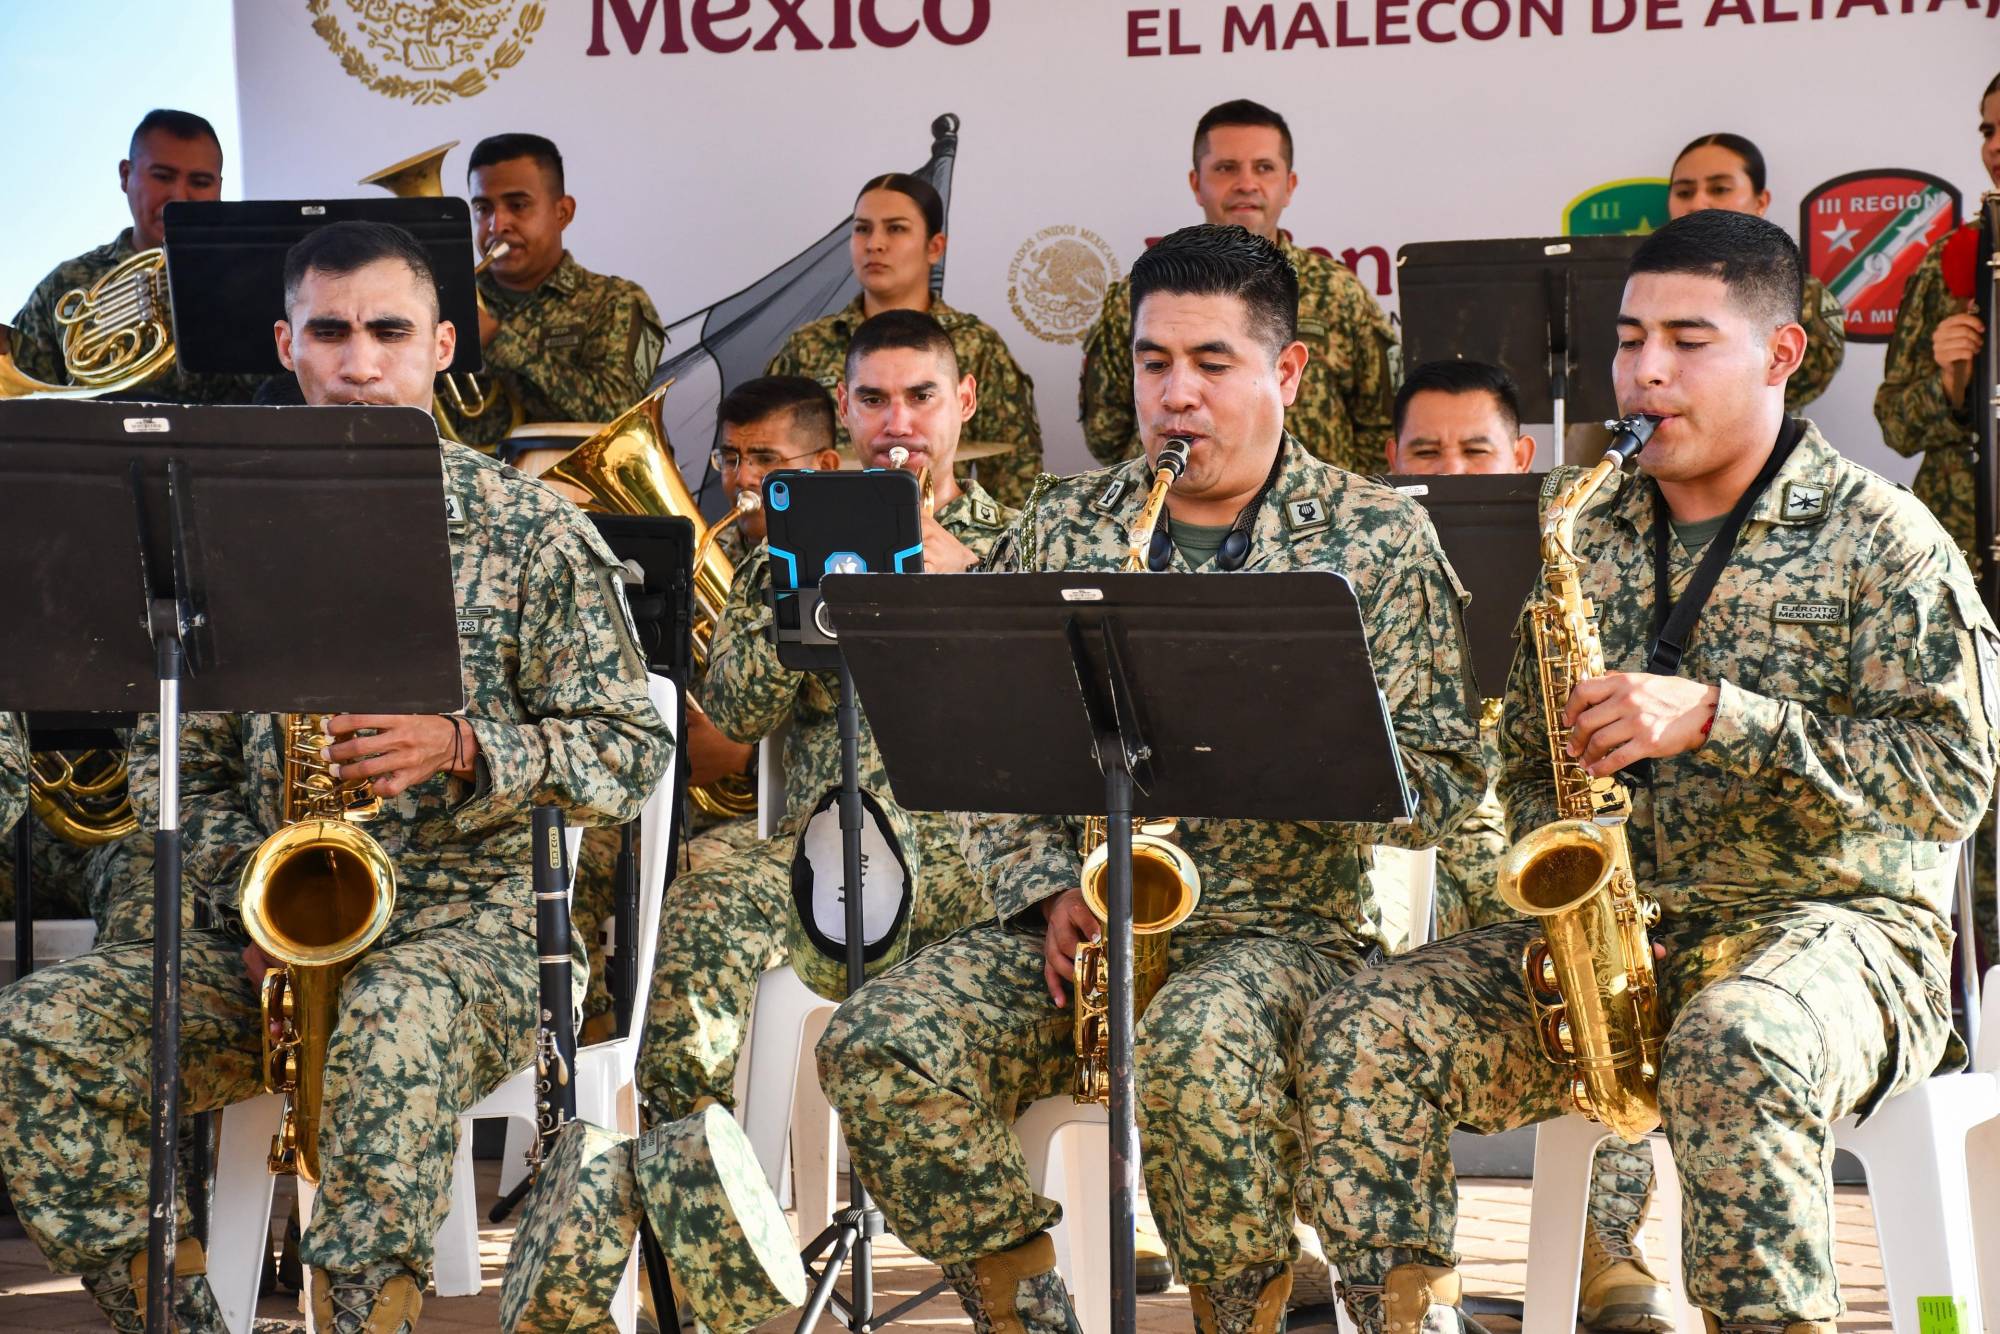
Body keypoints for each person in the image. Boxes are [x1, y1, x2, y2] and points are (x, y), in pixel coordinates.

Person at [1299, 208, 1997, 1334]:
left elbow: (1951, 778)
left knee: (1736, 1039)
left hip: (1840, 933)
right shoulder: (1583, 526)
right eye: (1628, 341)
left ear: (1780, 353)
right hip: (1625, 938)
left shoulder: (1884, 537)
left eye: (1686, 340)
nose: (1644, 371)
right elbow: (1531, 760)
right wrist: (1578, 896)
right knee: (1363, 1025)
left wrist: (1723, 717)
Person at [0, 220, 672, 1332]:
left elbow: (628, 749)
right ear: (286, 344)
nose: (360, 362)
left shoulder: (535, 533)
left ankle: (366, 1314)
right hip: (261, 938)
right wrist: (250, 897)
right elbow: (176, 772)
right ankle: (179, 1315)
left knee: (392, 1015)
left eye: (389, 331)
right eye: (330, 332)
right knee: (39, 1032)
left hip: (473, 935)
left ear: (442, 345)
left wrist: (464, 745)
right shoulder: (211, 537)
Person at [816, 225, 1482, 1332]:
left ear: (1287, 371)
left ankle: (1244, 1306)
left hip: (1284, 934)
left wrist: (1303, 737)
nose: (1176, 396)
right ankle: (1027, 1308)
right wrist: (1046, 889)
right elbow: (983, 747)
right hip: (1082, 931)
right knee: (876, 1041)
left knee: (1194, 1043)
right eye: (1153, 363)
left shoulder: (1377, 538)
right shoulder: (1064, 521)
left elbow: (1450, 777)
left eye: (1212, 364)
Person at [637, 312, 1012, 1126]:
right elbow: (735, 716)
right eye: (874, 400)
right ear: (845, 408)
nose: (898, 423)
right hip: (828, 857)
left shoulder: (1022, 541)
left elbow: (1059, 702)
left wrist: (974, 578)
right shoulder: (784, 548)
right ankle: (692, 1164)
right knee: (704, 901)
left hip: (982, 868)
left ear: (964, 401)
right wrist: (806, 582)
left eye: (921, 397)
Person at [1385, 359, 1676, 1332]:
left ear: (1521, 457)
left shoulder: (1584, 542)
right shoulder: (1354, 544)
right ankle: (1384, 1262)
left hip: (1526, 819)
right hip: (1401, 820)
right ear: (1390, 459)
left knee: (1594, 949)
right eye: (1425, 452)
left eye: (1475, 451)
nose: (1450, 472)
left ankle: (1607, 1242)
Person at [1080, 100, 1398, 476]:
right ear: (1197, 184)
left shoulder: (1340, 294)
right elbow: (1106, 432)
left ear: (1289, 185)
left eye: (1264, 168)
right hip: (1171, 503)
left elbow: (1382, 424)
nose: (1246, 184)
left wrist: (1334, 499)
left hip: (1317, 509)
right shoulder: (1141, 297)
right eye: (1226, 168)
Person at [1876, 70, 2000, 972]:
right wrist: (1949, 378)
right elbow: (1895, 421)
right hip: (1966, 548)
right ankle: (1977, 983)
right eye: (1988, 129)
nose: (1995, 147)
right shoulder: (1955, 261)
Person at [767, 172, 1043, 508]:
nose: (874, 244)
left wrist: (976, 540)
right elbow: (767, 460)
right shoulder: (806, 346)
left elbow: (1014, 475)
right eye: (862, 229)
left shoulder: (976, 344)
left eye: (896, 229)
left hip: (945, 530)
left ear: (934, 247)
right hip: (827, 526)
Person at [8, 108, 258, 404]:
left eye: (200, 182)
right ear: (126, 176)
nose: (180, 196)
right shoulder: (63, 285)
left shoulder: (255, 277)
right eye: (162, 177)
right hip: (98, 435)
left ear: (219, 188)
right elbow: (25, 401)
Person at [439, 133, 665, 450]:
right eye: (483, 208)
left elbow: (616, 418)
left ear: (563, 213)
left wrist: (495, 340)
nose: (496, 225)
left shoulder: (615, 301)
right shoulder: (445, 304)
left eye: (518, 205)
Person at [1667, 132, 1845, 412]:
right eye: (1684, 192)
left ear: (1760, 202)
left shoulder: (1803, 298)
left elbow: (1797, 385)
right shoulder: (1638, 291)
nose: (1698, 204)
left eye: (1719, 189)